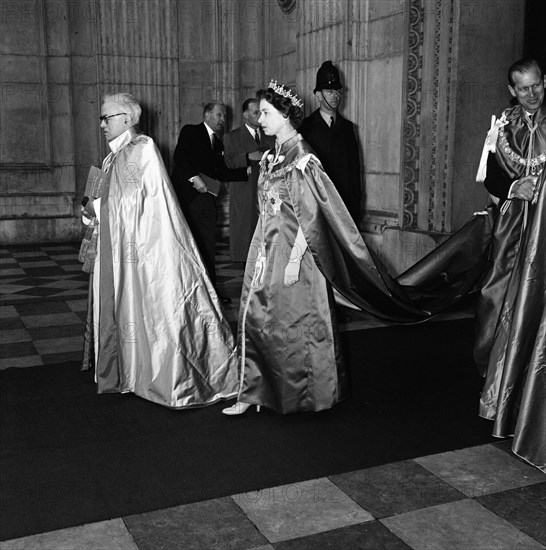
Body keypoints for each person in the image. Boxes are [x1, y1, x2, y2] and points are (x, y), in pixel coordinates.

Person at [80, 93, 238, 409]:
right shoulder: (114, 156)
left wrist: (98, 207)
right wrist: (91, 210)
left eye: (106, 118)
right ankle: (125, 368)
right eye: (101, 118)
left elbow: (142, 201)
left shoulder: (143, 148)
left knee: (150, 309)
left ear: (126, 118)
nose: (102, 124)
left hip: (145, 249)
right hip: (121, 245)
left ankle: (165, 374)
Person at [474, 58, 546, 473]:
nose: (531, 94)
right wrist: (514, 186)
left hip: (545, 234)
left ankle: (529, 399)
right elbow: (490, 178)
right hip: (512, 231)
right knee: (495, 303)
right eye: (523, 89)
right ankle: (497, 388)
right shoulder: (503, 126)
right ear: (511, 90)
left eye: (536, 86)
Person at [171, 102, 250, 303]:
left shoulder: (219, 144)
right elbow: (180, 158)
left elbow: (221, 172)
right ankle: (184, 294)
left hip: (206, 202)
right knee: (185, 249)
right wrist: (193, 177)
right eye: (218, 115)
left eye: (224, 116)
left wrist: (246, 171)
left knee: (207, 247)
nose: (222, 119)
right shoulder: (191, 131)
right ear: (206, 114)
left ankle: (210, 293)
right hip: (186, 200)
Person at [299, 60, 362, 223]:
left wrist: (355, 211)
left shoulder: (348, 128)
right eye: (329, 91)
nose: (335, 95)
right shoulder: (306, 128)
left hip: (344, 209)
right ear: (318, 95)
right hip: (317, 210)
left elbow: (354, 174)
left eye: (337, 91)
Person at [224, 98, 275, 262]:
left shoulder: (270, 135)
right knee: (244, 226)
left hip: (266, 188)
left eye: (262, 112)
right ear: (246, 115)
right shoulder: (232, 137)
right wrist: (246, 157)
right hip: (243, 188)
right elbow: (227, 163)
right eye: (256, 112)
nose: (260, 116)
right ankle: (242, 260)